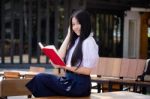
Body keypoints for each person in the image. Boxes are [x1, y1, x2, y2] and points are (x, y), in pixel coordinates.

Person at [26, 9, 99, 97]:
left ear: (85, 23)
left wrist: (64, 66)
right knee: (41, 83)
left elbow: (87, 71)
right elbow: (59, 57)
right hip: (68, 80)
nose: (75, 27)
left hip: (79, 85)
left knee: (41, 79)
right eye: (73, 24)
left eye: (78, 23)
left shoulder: (89, 42)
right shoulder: (75, 41)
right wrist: (68, 35)